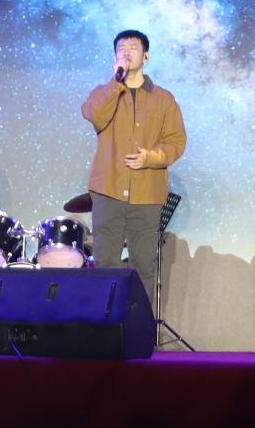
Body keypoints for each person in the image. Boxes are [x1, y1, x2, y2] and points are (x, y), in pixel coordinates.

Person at [81, 29, 188, 305]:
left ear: (146, 56)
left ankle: (138, 325)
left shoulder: (164, 99)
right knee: (105, 263)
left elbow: (176, 142)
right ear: (114, 58)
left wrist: (150, 158)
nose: (127, 52)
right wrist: (116, 83)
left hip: (147, 194)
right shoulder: (104, 93)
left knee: (143, 266)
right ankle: (104, 324)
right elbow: (93, 115)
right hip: (108, 190)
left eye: (133, 47)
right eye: (121, 48)